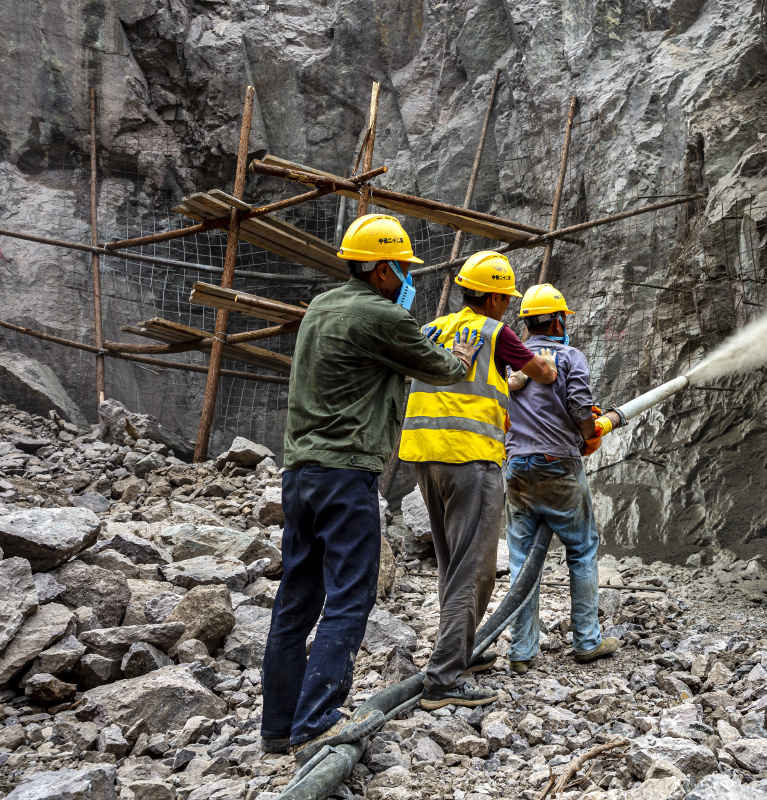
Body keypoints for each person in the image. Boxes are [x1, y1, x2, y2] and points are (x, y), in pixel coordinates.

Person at [261, 214, 485, 764]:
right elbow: (444, 370)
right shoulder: (382, 314)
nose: (406, 276)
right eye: (402, 269)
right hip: (345, 475)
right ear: (382, 269)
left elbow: (376, 362)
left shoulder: (321, 307)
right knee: (350, 597)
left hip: (300, 474)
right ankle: (315, 726)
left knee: (296, 599)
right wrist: (459, 350)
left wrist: (409, 342)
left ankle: (278, 725)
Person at [398, 251, 558, 709]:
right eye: (504, 297)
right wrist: (537, 364)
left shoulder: (434, 328)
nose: (507, 306)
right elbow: (543, 372)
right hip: (471, 459)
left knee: (452, 562)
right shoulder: (496, 332)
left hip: (425, 459)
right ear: (490, 295)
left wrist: (508, 385)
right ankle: (445, 678)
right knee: (476, 570)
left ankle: (458, 651)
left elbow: (461, 381)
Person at [501, 284, 624, 674]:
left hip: (517, 466)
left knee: (522, 561)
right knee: (582, 550)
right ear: (557, 320)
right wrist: (591, 432)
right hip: (558, 465)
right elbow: (578, 406)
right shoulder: (570, 356)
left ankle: (521, 653)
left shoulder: (512, 364)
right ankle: (587, 641)